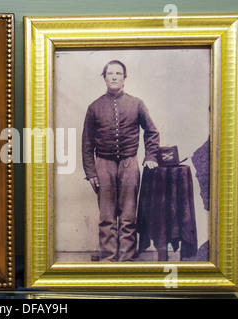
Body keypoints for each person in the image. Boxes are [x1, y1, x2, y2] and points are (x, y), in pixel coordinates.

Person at [82, 60, 160, 262]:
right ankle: (108, 260)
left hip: (129, 164)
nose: (114, 77)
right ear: (104, 77)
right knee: (107, 216)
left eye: (118, 73)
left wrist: (150, 156)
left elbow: (151, 132)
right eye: (110, 74)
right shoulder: (94, 107)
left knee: (128, 215)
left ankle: (126, 260)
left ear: (125, 77)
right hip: (103, 165)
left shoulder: (137, 104)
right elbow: (87, 143)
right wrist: (91, 172)